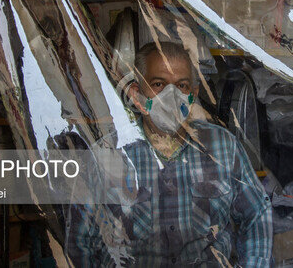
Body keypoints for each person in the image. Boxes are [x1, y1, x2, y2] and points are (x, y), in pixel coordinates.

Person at [66, 41, 273, 267]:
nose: (171, 94)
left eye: (182, 86)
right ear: (137, 94)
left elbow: (257, 212)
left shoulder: (222, 146)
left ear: (193, 94)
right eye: (158, 84)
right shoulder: (108, 154)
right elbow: (79, 242)